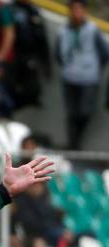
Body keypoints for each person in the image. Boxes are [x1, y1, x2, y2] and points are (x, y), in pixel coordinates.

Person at [56, 0, 109, 149]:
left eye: (79, 9)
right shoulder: (63, 30)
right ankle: (73, 145)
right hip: (69, 77)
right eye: (73, 9)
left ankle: (76, 142)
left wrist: (94, 68)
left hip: (88, 78)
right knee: (71, 113)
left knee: (85, 111)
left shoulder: (92, 29)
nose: (76, 12)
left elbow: (105, 53)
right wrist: (68, 66)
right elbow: (58, 53)